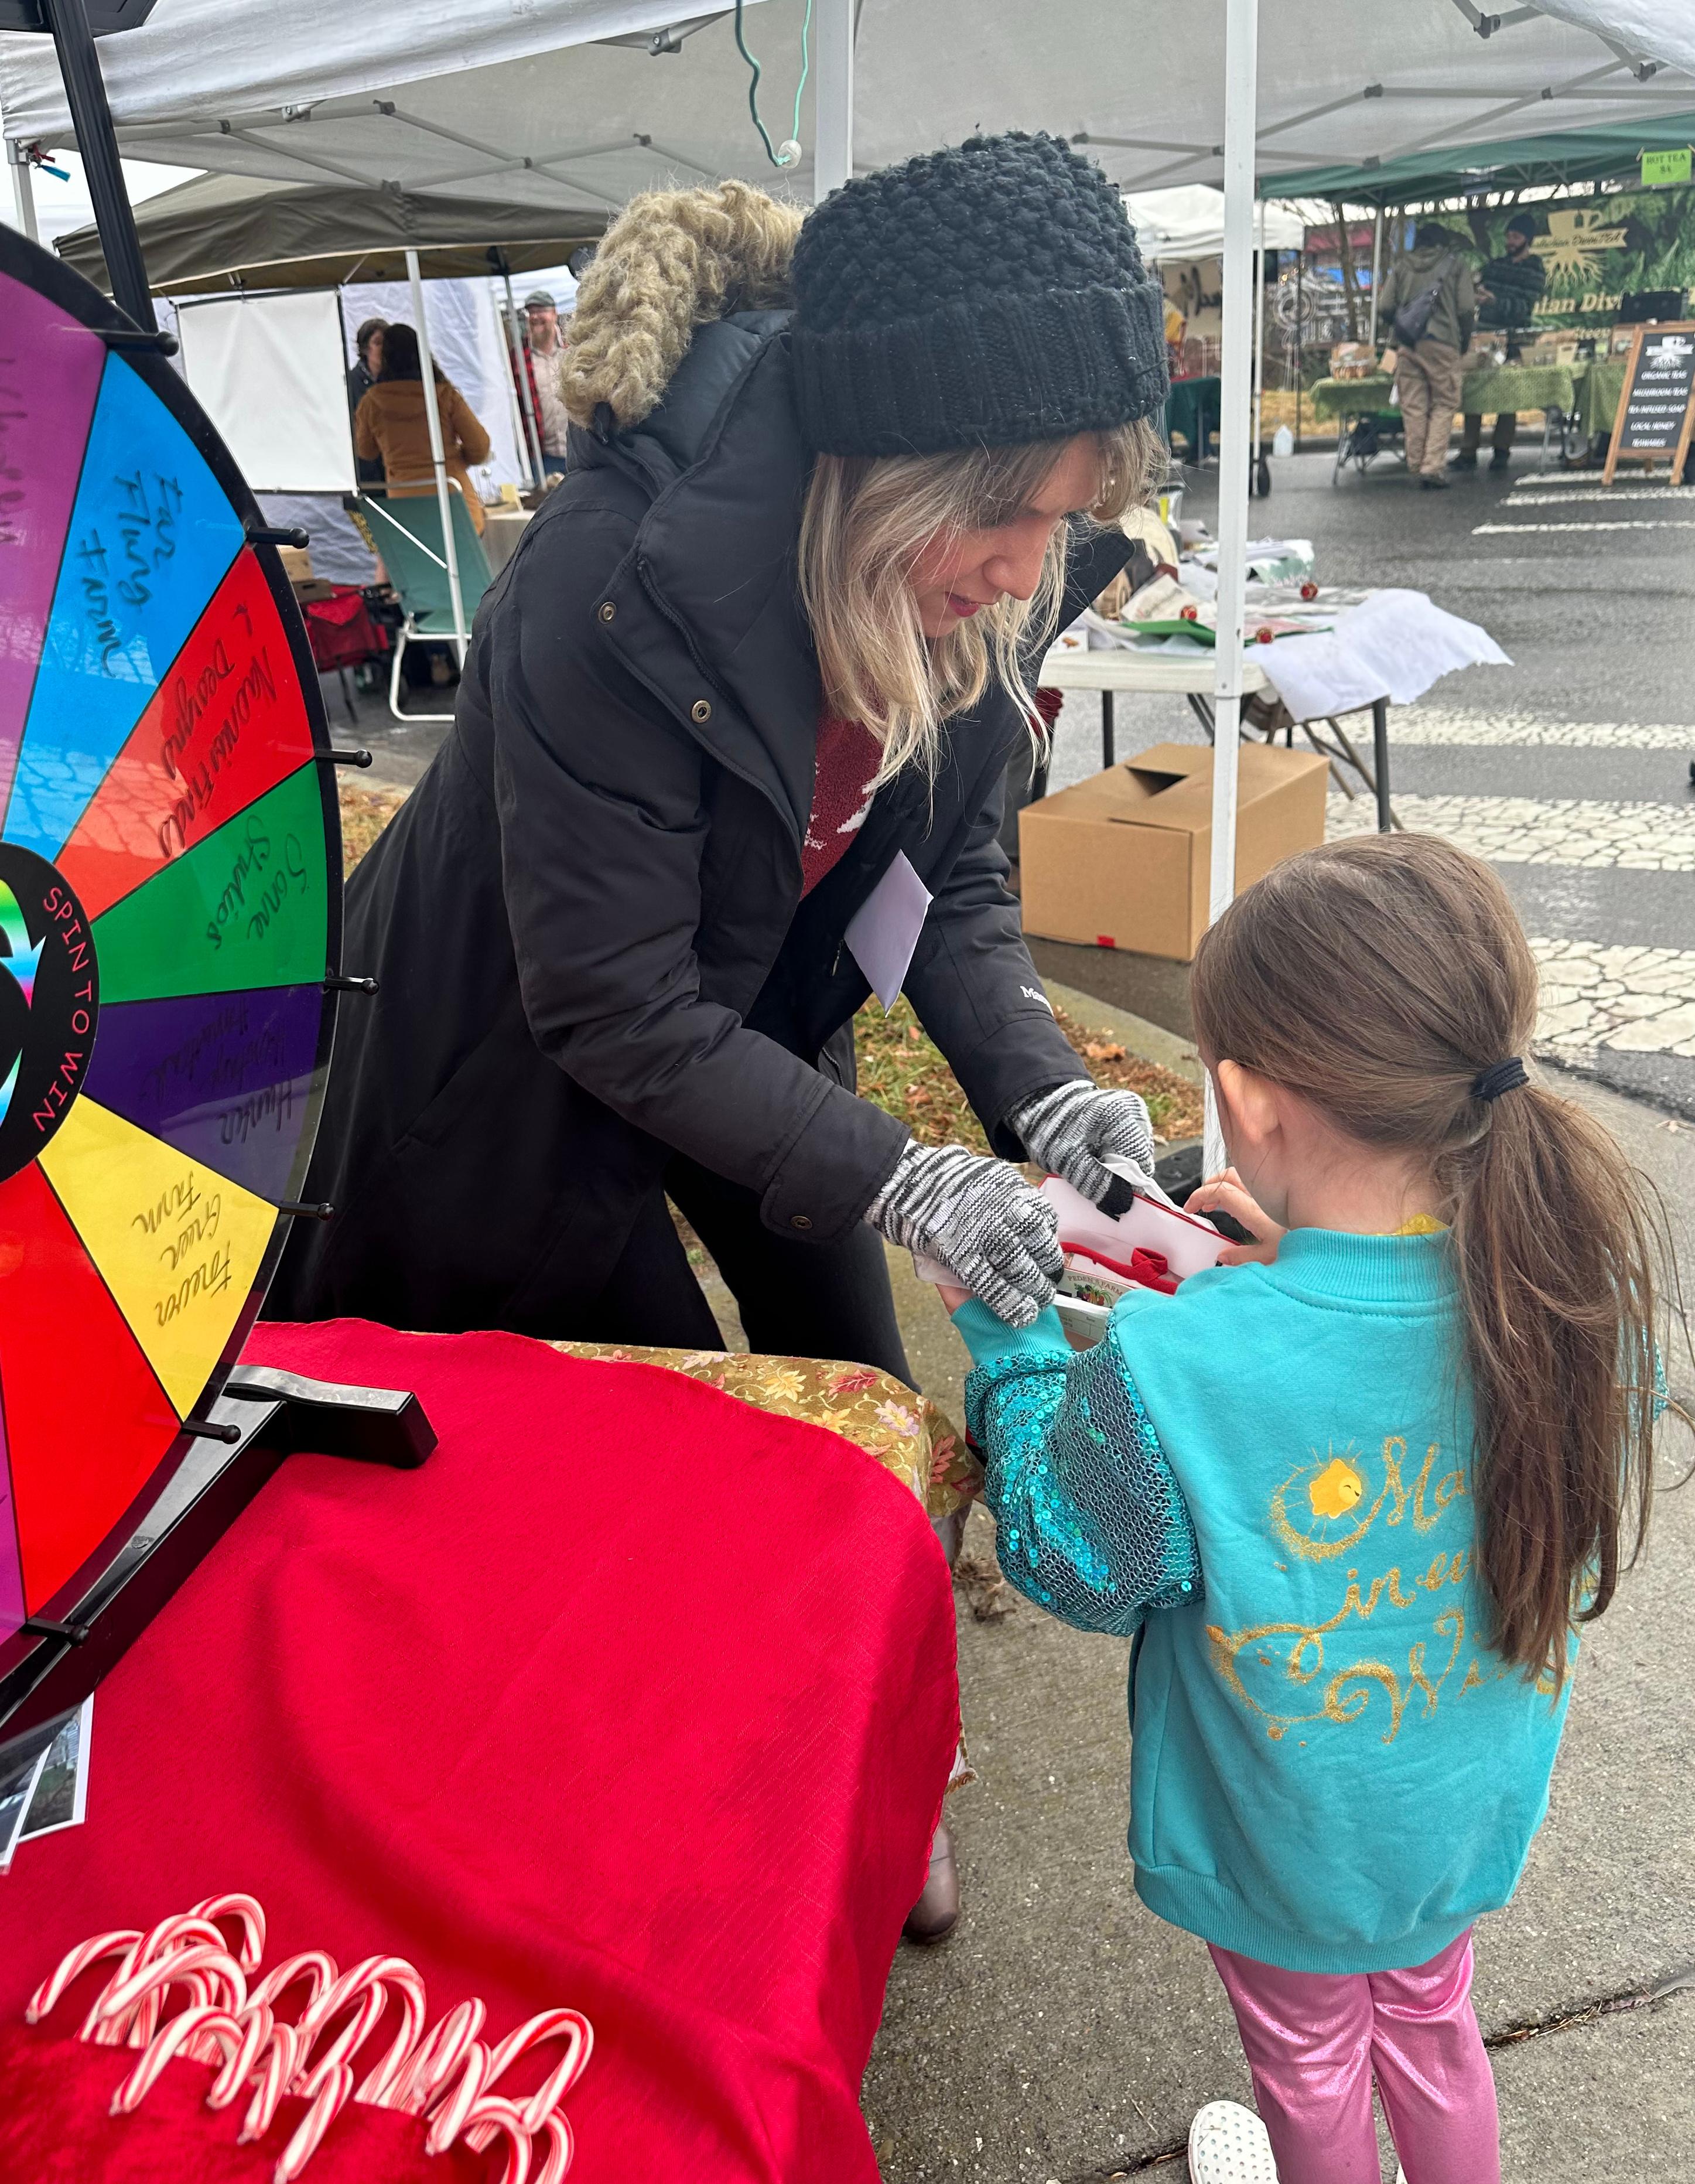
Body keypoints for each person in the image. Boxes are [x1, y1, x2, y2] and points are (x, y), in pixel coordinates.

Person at [271, 136, 1173, 1938]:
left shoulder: (965, 587)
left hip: (748, 1017)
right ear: (895, 465)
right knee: (670, 1466)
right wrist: (914, 1176)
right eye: (1001, 520)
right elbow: (606, 1001)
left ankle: (873, 1754)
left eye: (1057, 521)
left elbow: (955, 887)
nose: (1020, 571)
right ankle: (674, 1831)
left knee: (857, 1410)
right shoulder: (613, 574)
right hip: (510, 1062)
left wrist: (1047, 1103)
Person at [945, 832, 1667, 2182]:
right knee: (1431, 2015)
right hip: (1456, 1804)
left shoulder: (1182, 1360)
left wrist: (1016, 1356)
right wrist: (1308, 1267)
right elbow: (1556, 1555)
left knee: (1307, 2052)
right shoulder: (1577, 1300)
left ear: (1248, 1102)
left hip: (1280, 1830)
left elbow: (1076, 1558)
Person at [353, 322, 493, 533]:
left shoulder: (371, 402)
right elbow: (480, 447)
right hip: (454, 501)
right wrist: (459, 457)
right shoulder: (444, 396)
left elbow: (366, 451)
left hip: (406, 508)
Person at [1378, 223, 1475, 490]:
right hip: (1443, 343)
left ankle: (1417, 463)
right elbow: (1467, 308)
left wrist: (1401, 322)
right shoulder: (1456, 265)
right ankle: (1432, 467)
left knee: (1414, 406)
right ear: (1442, 244)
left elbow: (1385, 306)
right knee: (1445, 402)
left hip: (1407, 344)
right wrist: (1464, 341)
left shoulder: (1401, 266)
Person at [1454, 213, 1547, 474]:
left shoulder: (1534, 270)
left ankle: (1501, 450)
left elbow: (1524, 307)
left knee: (1507, 395)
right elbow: (1474, 283)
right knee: (1474, 390)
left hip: (1513, 338)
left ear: (1528, 240)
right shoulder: (1495, 266)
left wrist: (1495, 301)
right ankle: (1468, 449)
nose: (1510, 241)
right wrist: (1474, 292)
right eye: (1508, 236)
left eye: (1516, 236)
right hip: (1483, 336)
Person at [520, 288, 572, 474]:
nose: (535, 317)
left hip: (578, 452)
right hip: (542, 458)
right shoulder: (519, 358)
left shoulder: (572, 350)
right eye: (531, 312)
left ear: (554, 314)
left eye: (541, 310)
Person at [347, 317, 388, 484]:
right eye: (378, 343)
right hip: (365, 476)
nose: (385, 349)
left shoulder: (397, 381)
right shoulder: (350, 383)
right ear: (365, 349)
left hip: (394, 474)